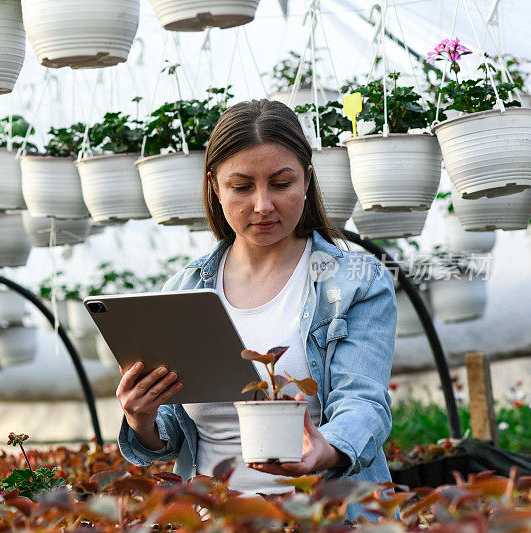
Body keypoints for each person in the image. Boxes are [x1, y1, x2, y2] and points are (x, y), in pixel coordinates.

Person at [116, 99, 397, 522]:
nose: (263, 205)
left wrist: (326, 449)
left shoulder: (355, 281)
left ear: (307, 178)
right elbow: (173, 433)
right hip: (212, 519)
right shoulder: (184, 292)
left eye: (281, 184)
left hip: (327, 517)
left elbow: (365, 403)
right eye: (242, 187)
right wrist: (141, 417)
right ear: (215, 186)